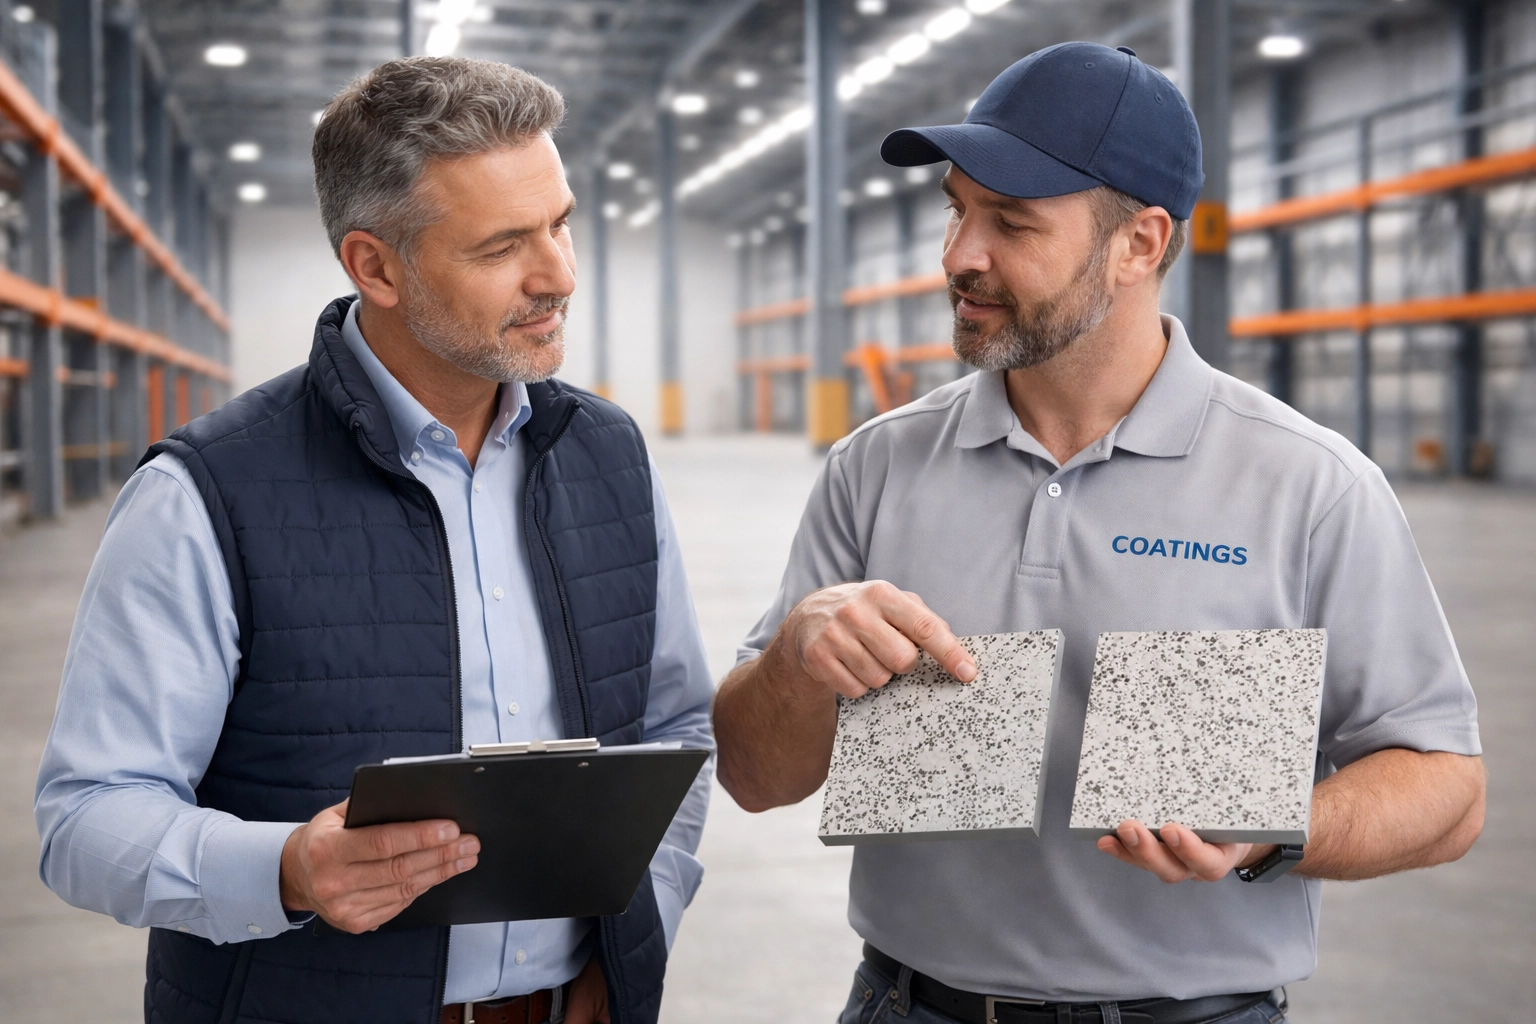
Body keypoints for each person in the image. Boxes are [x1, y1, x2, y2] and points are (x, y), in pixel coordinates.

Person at [713, 41, 1484, 1024]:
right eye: (957, 210)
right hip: (911, 1004)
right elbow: (750, 774)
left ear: (1141, 244)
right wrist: (795, 658)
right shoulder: (878, 466)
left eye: (1011, 223)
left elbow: (1447, 788)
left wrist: (1270, 831)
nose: (959, 255)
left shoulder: (1308, 485)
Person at [35, 57, 714, 1024]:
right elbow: (86, 816)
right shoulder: (204, 494)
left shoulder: (609, 455)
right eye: (502, 247)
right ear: (375, 265)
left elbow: (677, 730)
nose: (558, 275)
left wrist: (641, 914)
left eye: (561, 223)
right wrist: (285, 871)